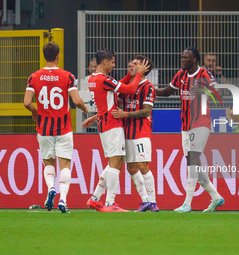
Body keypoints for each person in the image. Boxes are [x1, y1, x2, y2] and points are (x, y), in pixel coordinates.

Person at [155, 47, 224, 213]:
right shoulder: (180, 75)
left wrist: (204, 91)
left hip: (200, 122)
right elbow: (166, 92)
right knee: (192, 162)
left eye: (186, 58)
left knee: (192, 160)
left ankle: (187, 203)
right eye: (182, 57)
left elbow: (219, 92)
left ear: (194, 60)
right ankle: (216, 197)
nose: (182, 60)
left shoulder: (204, 75)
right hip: (185, 124)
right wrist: (146, 89)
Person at [24, 42, 88, 213]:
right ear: (58, 56)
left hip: (44, 128)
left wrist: (35, 111)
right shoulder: (67, 76)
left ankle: (51, 187)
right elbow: (75, 101)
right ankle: (63, 200)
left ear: (44, 55)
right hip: (63, 128)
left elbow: (26, 102)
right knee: (65, 165)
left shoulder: (34, 76)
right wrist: (83, 107)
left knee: (48, 164)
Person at [83, 49, 149, 212]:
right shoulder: (105, 79)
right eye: (112, 62)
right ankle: (110, 203)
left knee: (114, 162)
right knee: (115, 164)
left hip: (105, 124)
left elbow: (116, 86)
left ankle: (95, 198)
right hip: (112, 124)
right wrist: (138, 74)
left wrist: (130, 75)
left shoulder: (94, 78)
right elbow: (129, 89)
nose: (114, 65)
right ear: (105, 62)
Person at [111, 56, 159, 212]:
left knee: (142, 165)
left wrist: (125, 114)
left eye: (136, 64)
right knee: (131, 168)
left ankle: (153, 202)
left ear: (144, 68)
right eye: (131, 62)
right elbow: (114, 104)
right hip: (126, 132)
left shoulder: (148, 87)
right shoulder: (128, 86)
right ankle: (145, 200)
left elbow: (146, 111)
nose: (130, 64)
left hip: (141, 131)